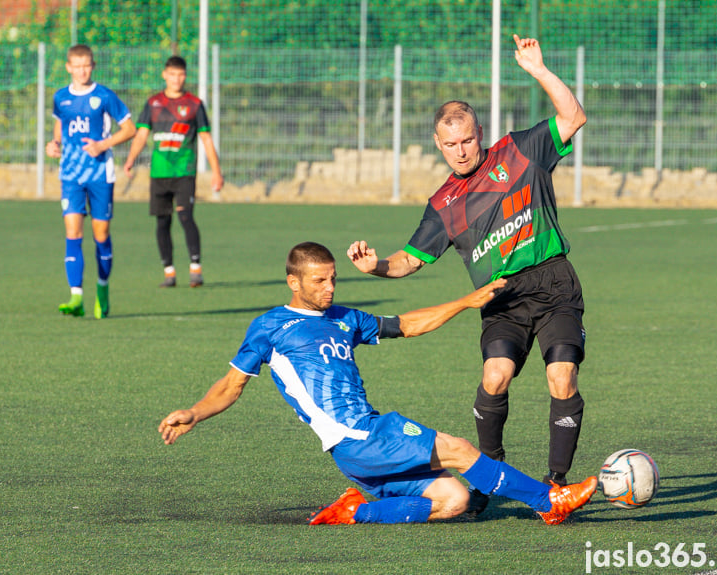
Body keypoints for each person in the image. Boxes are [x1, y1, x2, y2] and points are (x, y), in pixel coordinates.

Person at [159, 242, 597, 526]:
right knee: (462, 449)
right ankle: (549, 502)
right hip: (358, 436)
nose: (330, 287)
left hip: (356, 452)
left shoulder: (344, 318)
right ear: (293, 282)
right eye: (319, 281)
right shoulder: (271, 326)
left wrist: (465, 302)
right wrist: (194, 412)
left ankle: (357, 511)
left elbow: (406, 324)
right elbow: (232, 385)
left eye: (333, 278)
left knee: (453, 501)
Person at [347, 35, 589, 513]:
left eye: (468, 140)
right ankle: (491, 475)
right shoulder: (443, 205)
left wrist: (539, 69)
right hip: (499, 298)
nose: (461, 151)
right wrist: (373, 266)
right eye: (450, 145)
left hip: (553, 283)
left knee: (562, 377)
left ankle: (556, 483)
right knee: (495, 377)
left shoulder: (521, 151)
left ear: (481, 132)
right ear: (437, 145)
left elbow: (573, 116)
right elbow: (408, 262)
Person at [46, 44, 135, 319]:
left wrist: (103, 144)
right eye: (77, 66)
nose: (82, 71)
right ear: (68, 67)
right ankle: (76, 296)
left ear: (93, 66)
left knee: (101, 235)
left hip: (100, 174)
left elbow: (130, 129)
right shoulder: (60, 97)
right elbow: (59, 126)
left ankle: (103, 289)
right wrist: (55, 144)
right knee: (73, 232)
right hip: (71, 175)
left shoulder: (105, 96)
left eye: (87, 65)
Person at [123, 56, 224, 289]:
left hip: (184, 172)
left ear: (185, 76)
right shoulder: (153, 103)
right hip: (159, 173)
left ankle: (195, 268)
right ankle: (169, 272)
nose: (176, 79)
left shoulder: (194, 104)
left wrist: (217, 173)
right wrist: (130, 160)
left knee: (185, 216)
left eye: (180, 74)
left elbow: (206, 139)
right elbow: (141, 135)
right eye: (172, 74)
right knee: (162, 222)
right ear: (164, 74)